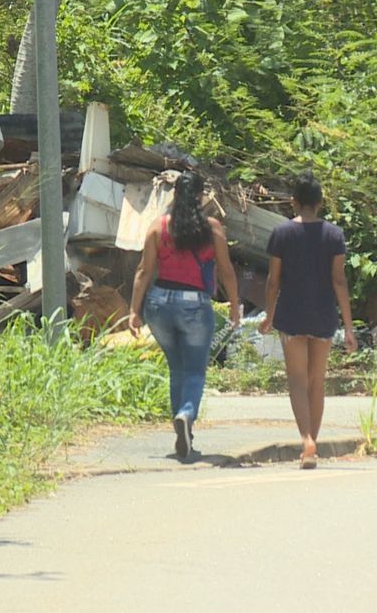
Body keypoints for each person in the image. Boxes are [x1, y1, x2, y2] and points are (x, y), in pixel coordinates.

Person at [129, 171, 241, 459]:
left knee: (176, 369)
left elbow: (144, 271)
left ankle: (184, 432)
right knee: (194, 369)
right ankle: (186, 413)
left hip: (159, 304)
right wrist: (234, 303)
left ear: (175, 195)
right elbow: (227, 271)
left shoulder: (158, 227)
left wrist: (134, 310)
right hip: (194, 306)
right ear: (202, 197)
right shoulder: (212, 229)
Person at [258, 171, 357, 469]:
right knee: (317, 381)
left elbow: (273, 281)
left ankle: (306, 441)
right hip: (323, 314)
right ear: (320, 202)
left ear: (294, 202)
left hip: (291, 314)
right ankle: (313, 441)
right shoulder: (334, 235)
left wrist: (269, 314)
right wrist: (349, 327)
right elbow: (339, 281)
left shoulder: (282, 234)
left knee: (297, 380)